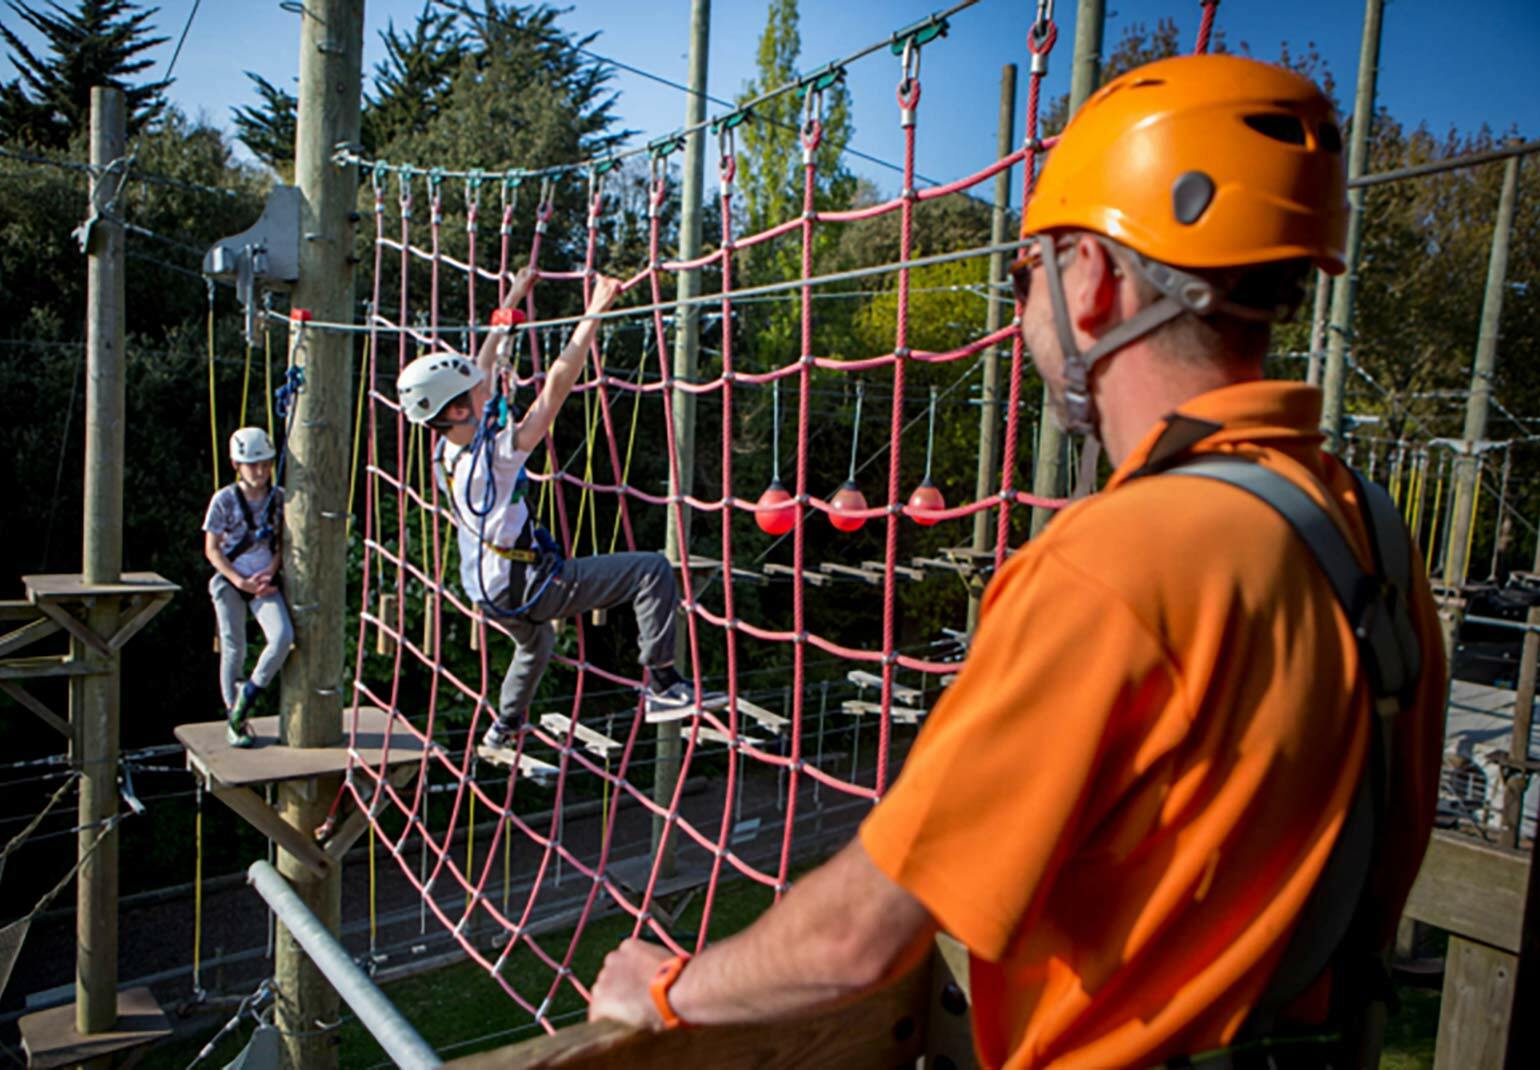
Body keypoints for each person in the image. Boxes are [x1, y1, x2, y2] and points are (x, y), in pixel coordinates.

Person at [587, 53, 1448, 1070]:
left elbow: (859, 933)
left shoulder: (1119, 563)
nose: (1021, 302)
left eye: (1026, 270)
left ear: (1094, 276)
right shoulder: (1363, 534)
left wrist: (666, 987)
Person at [396, 268, 724, 760]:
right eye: (476, 392)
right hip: (524, 584)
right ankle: (662, 683)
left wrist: (510, 301)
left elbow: (479, 370)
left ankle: (503, 725)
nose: (486, 388)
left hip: (484, 589)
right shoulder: (497, 456)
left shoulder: (447, 450)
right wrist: (595, 310)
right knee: (650, 569)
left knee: (536, 645)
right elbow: (557, 385)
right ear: (460, 410)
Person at [204, 426, 294, 747]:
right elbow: (212, 548)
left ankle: (248, 694)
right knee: (233, 645)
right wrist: (239, 580)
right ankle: (234, 716)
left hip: (264, 580)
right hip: (232, 578)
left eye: (265, 464)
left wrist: (270, 572)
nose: (260, 471)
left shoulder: (279, 499)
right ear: (236, 466)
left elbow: (284, 543)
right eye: (252, 464)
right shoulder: (224, 500)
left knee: (283, 637)